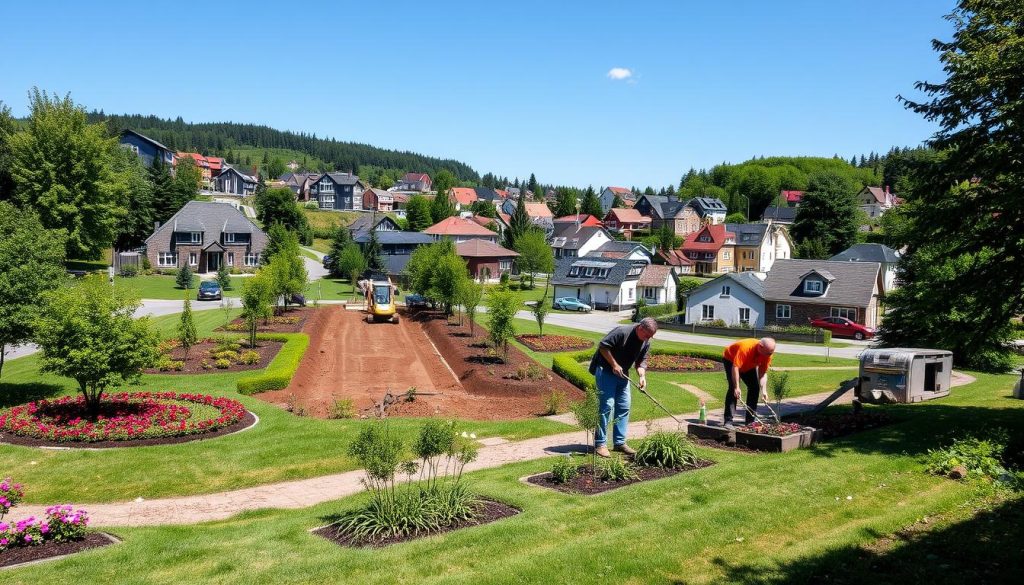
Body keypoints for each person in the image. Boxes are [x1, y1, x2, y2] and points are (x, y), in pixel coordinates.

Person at [588, 317, 658, 457]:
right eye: (646, 335)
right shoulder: (622, 332)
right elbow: (603, 346)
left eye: (650, 337)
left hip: (623, 374)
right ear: (640, 328)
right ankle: (600, 444)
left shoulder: (645, 341)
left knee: (624, 406)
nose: (647, 339)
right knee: (607, 406)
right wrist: (614, 364)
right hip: (606, 371)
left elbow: (641, 361)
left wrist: (642, 376)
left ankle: (619, 443)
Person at [722, 337, 776, 428]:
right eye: (768, 353)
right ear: (760, 346)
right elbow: (735, 367)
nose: (769, 355)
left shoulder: (767, 354)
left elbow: (762, 373)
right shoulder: (746, 348)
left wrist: (764, 391)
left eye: (771, 353)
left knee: (754, 387)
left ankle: (750, 422)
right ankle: (728, 422)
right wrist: (737, 387)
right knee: (733, 390)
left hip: (748, 364)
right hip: (731, 360)